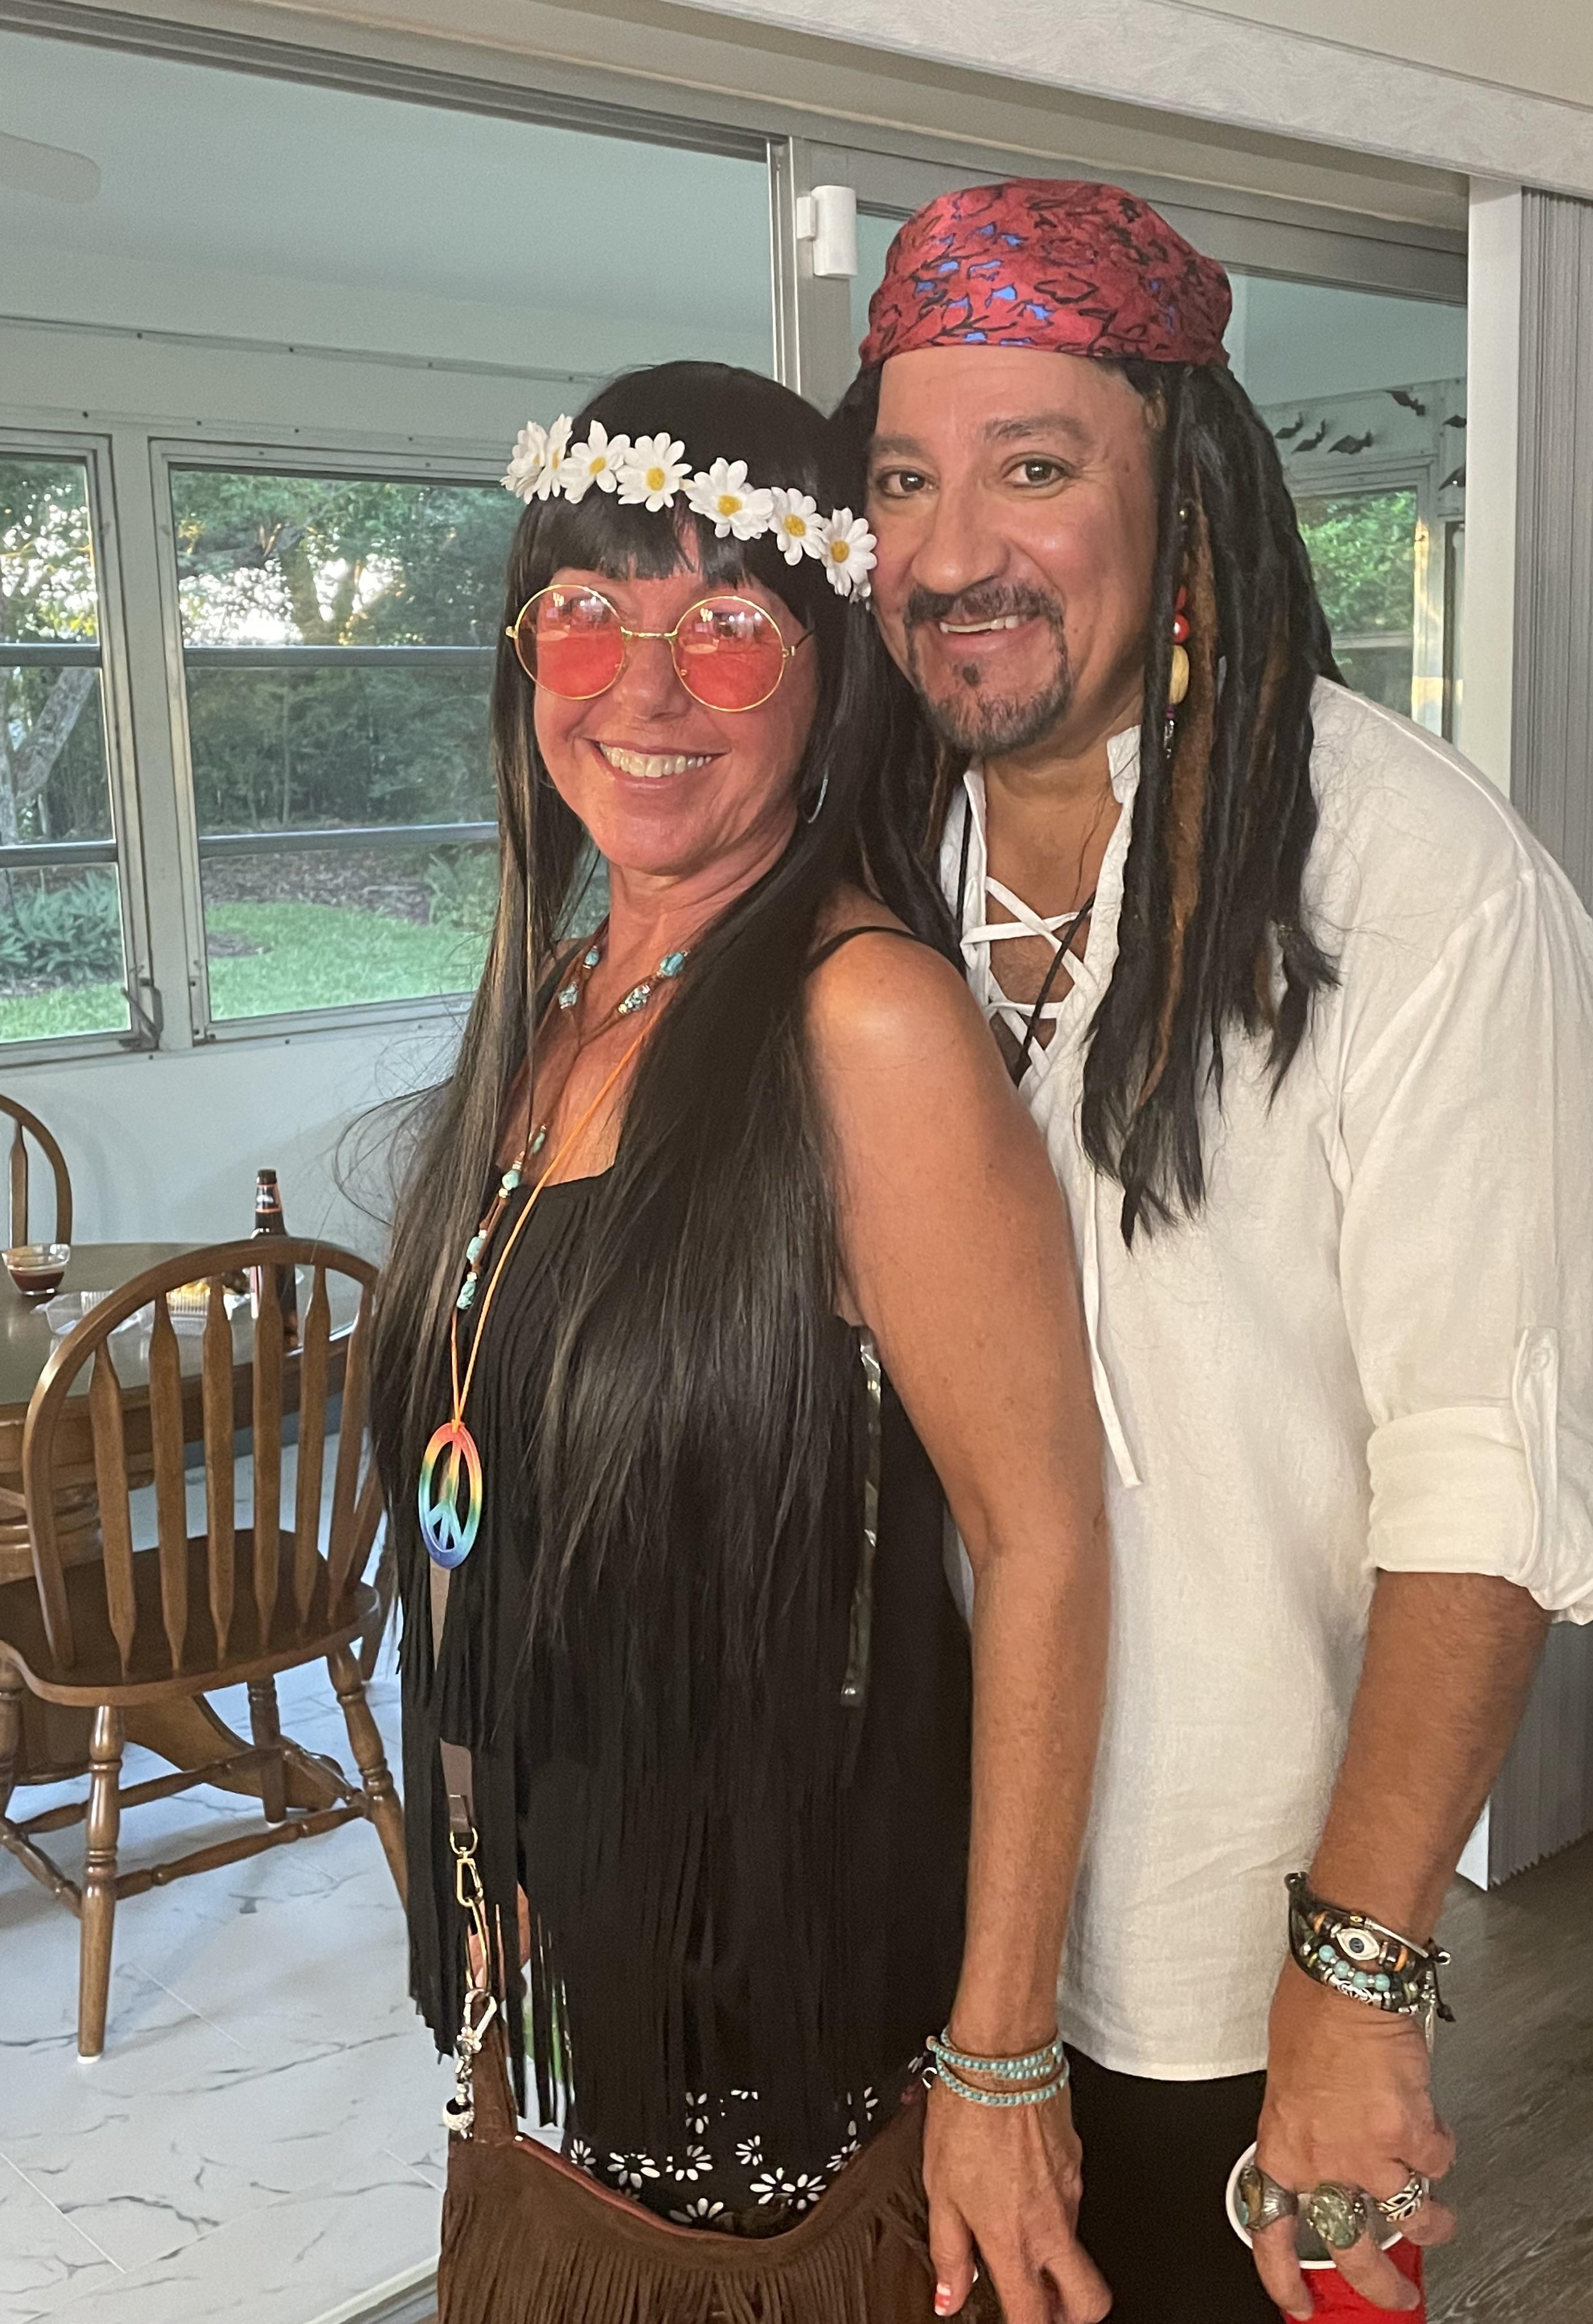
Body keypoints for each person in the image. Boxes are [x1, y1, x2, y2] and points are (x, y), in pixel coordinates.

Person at [837, 180, 1593, 2322]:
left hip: (1217, 1943)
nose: (949, 549)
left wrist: (1355, 1980)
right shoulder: (872, 859)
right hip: (895, 1907)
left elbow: (1480, 1465)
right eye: (903, 479)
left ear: (1181, 495)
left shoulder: (1419, 889)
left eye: (1032, 468)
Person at [371, 359, 1113, 2323]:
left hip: (763, 2077)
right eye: (587, 615)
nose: (643, 688)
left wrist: (1002, 2059)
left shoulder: (862, 1024)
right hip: (544, 2040)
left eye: (728, 628)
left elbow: (1043, 1541)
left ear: (829, 676)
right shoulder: (560, 992)